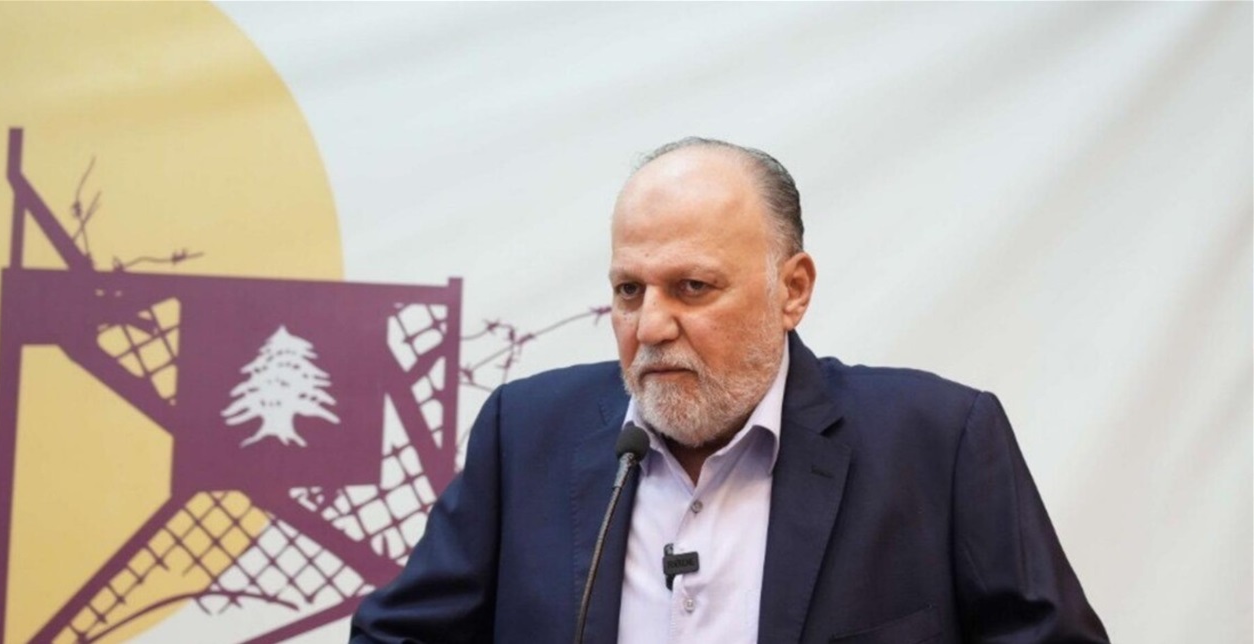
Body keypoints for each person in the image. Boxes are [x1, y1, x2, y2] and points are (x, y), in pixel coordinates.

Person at [350, 138, 1108, 643]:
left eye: (693, 287)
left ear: (792, 290)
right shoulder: (525, 434)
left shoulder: (937, 442)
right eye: (628, 290)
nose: (650, 326)